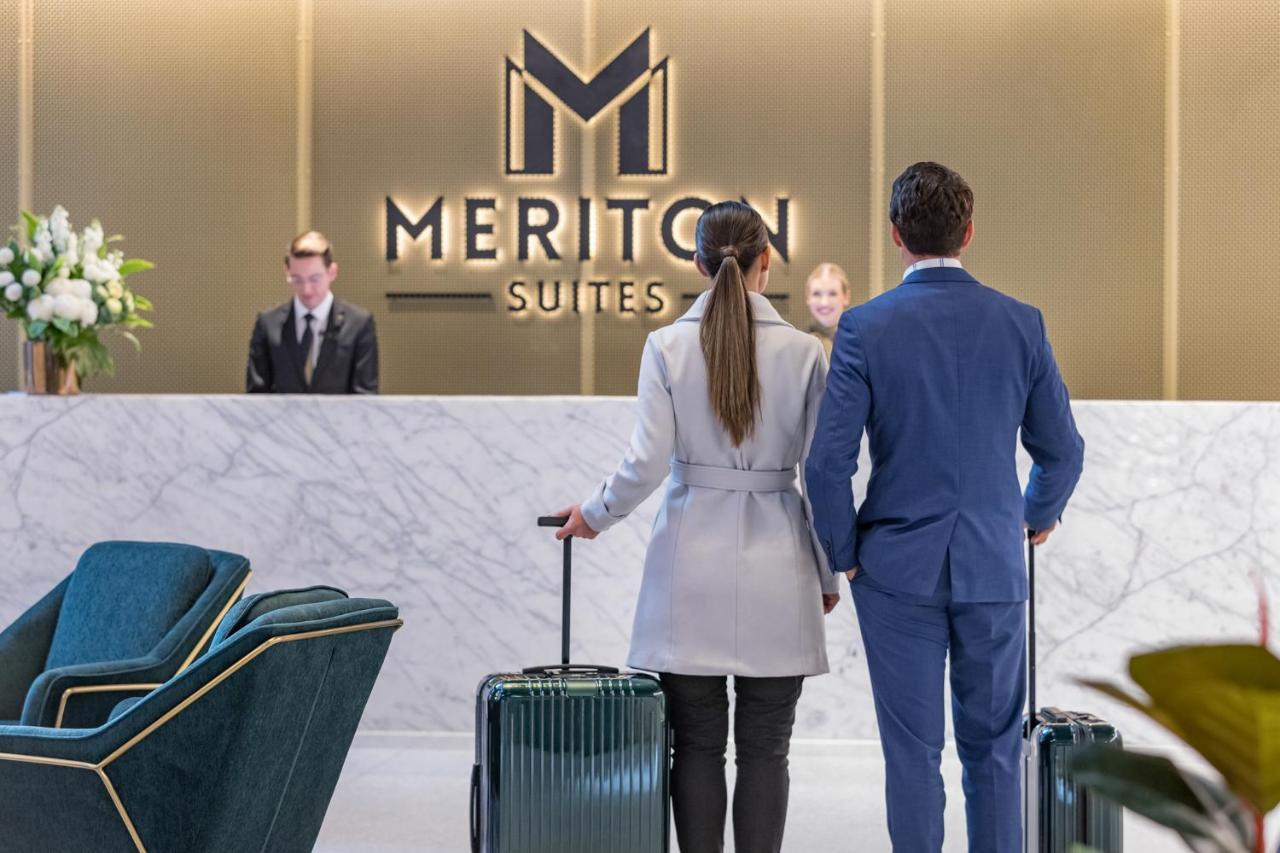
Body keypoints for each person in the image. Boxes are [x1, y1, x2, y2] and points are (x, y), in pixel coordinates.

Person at [805, 162, 1085, 852]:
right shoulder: (1022, 322)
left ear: (895, 235)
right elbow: (1063, 450)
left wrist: (844, 556)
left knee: (911, 755)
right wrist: (1031, 517)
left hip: (894, 571)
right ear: (968, 231)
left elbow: (825, 464)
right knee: (992, 751)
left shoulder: (863, 327)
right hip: (993, 563)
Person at [553, 200, 840, 853]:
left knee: (697, 746)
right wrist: (826, 571)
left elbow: (645, 462)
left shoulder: (666, 346)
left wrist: (594, 514)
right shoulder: (804, 354)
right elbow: (821, 479)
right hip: (778, 564)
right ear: (767, 260)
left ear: (697, 263)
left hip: (690, 568)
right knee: (768, 748)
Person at [246, 231, 379, 394]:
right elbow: (255, 398)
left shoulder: (358, 324)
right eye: (297, 279)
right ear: (286, 271)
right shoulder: (268, 323)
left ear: (332, 272)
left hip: (338, 419)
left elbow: (365, 398)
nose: (306, 290)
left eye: (314, 279)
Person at [804, 262, 853, 358]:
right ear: (808, 297)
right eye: (817, 294)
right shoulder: (798, 344)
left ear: (846, 297)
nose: (824, 303)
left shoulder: (862, 342)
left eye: (832, 294)